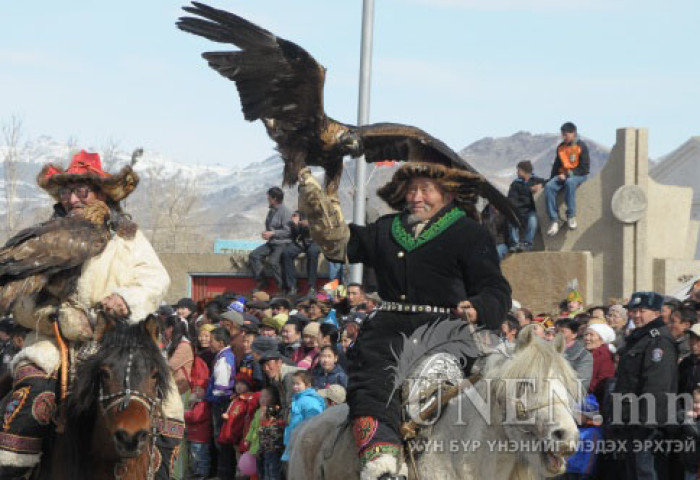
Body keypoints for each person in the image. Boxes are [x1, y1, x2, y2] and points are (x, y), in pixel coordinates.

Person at [298, 161, 511, 479]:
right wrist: (324, 217)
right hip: (389, 330)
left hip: (447, 330)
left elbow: (496, 287)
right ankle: (381, 461)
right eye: (411, 189)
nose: (416, 196)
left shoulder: (470, 234)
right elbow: (344, 245)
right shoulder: (386, 227)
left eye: (426, 189)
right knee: (373, 381)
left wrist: (480, 306)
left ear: (447, 194)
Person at [0, 150, 181, 478]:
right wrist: (55, 316)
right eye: (66, 192)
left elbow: (157, 279)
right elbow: (21, 302)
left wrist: (127, 300)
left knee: (170, 406)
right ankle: (14, 469)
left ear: (102, 193)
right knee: (34, 388)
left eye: (81, 190)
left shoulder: (128, 238)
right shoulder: (48, 236)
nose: (72, 198)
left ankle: (161, 471)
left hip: (119, 341)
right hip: (57, 343)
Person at [612, 291, 678, 480]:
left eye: (642, 310)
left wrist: (645, 421)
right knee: (633, 472)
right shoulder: (638, 338)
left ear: (656, 313)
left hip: (648, 422)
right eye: (634, 310)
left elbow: (657, 384)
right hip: (630, 418)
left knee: (647, 472)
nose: (636, 315)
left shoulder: (659, 340)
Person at [545, 122, 590, 236]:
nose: (564, 137)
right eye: (562, 135)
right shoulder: (560, 148)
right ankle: (555, 220)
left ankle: (571, 216)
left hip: (578, 175)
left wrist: (568, 174)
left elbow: (585, 168)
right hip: (563, 175)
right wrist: (551, 179)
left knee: (570, 182)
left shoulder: (582, 146)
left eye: (566, 135)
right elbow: (556, 165)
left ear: (573, 133)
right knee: (549, 186)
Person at [205, 327, 236, 480]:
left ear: (221, 342)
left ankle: (224, 474)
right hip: (219, 403)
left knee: (221, 439)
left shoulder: (224, 359)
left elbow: (221, 388)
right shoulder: (223, 356)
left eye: (212, 341)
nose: (209, 344)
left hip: (221, 404)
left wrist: (207, 397)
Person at [249, 187, 293, 292]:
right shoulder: (271, 211)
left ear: (275, 199)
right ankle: (262, 281)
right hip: (271, 242)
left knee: (273, 262)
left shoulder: (285, 212)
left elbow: (288, 231)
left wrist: (273, 233)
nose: (267, 199)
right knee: (254, 255)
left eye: (269, 198)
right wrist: (266, 234)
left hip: (282, 243)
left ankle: (282, 287)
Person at [281, 370, 325, 462]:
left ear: (307, 385)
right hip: (294, 441)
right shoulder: (297, 399)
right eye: (293, 384)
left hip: (303, 442)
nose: (295, 387)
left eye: (298, 384)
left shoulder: (309, 401)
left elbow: (313, 422)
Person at [246, 386, 285, 480]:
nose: (262, 399)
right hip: (259, 446)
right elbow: (253, 427)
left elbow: (270, 423)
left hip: (271, 446)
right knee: (261, 470)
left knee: (272, 469)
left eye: (266, 396)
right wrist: (248, 439)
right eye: (261, 397)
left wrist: (265, 414)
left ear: (273, 399)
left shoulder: (274, 409)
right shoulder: (258, 411)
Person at [507, 160, 545, 252]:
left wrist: (541, 185)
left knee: (533, 219)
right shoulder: (515, 184)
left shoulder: (536, 180)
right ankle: (515, 244)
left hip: (530, 210)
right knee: (511, 219)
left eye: (519, 170)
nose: (517, 172)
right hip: (518, 210)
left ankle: (527, 244)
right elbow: (511, 199)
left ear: (525, 171)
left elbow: (548, 181)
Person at [281, 210, 321, 296]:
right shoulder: (299, 213)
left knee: (313, 252)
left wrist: (310, 224)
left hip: (315, 241)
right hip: (301, 242)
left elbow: (323, 227)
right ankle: (292, 286)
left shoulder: (319, 212)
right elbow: (295, 235)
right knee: (286, 253)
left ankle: (312, 286)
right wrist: (295, 224)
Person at [583, 321, 616, 404]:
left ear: (601, 339)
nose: (587, 338)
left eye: (591, 335)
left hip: (594, 399)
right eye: (586, 335)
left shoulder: (604, 355)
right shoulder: (586, 353)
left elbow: (603, 379)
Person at [556, 318, 593, 391]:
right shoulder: (549, 351)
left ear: (574, 334)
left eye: (563, 332)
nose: (558, 335)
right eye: (557, 332)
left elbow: (582, 383)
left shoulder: (583, 355)